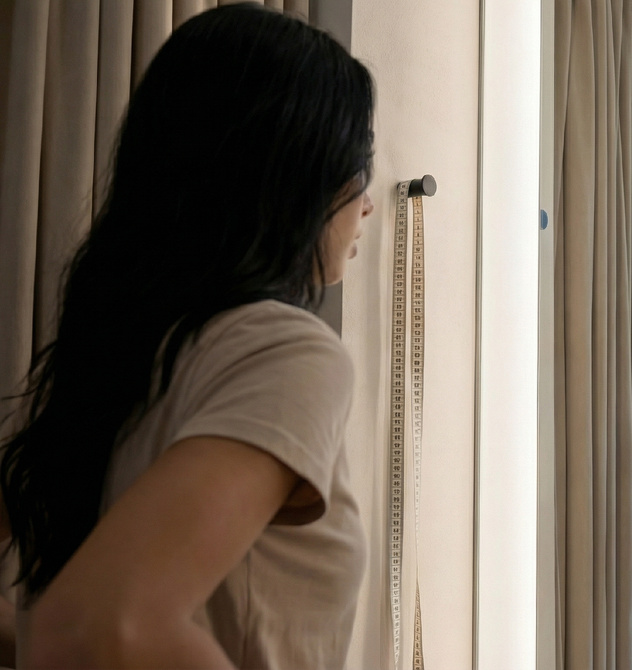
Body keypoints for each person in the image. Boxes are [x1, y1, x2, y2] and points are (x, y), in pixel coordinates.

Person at [0, 5, 375, 668]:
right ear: (291, 177)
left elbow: (75, 626)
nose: (366, 201)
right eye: (356, 166)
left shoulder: (109, 355)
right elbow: (101, 624)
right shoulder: (286, 352)